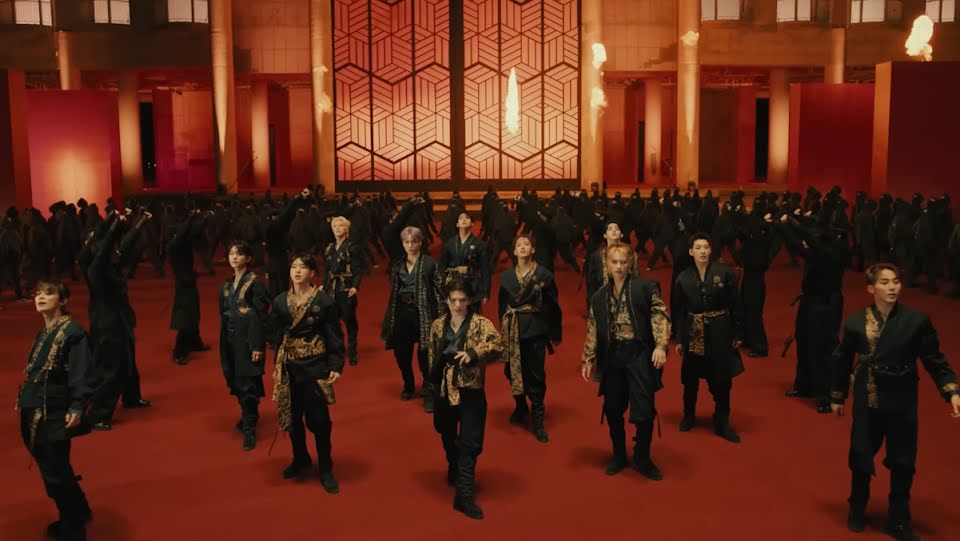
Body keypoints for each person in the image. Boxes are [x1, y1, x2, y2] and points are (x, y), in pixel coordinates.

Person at [830, 263, 960, 541]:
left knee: (903, 460)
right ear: (871, 288)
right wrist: (838, 395)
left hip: (902, 397)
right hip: (869, 396)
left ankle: (899, 519)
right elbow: (842, 360)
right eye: (885, 282)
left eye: (896, 282)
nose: (892, 287)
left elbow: (934, 359)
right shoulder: (855, 322)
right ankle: (857, 507)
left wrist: (951, 390)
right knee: (861, 454)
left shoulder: (916, 321)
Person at [581, 244, 670, 479]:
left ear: (631, 263)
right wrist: (588, 358)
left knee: (644, 410)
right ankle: (619, 454)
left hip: (639, 353)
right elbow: (593, 328)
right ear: (607, 264)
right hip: (613, 356)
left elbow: (660, 315)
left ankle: (642, 457)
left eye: (623, 262)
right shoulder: (599, 297)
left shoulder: (645, 288)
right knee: (612, 408)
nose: (619, 266)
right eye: (614, 262)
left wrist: (661, 345)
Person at [17, 281, 96, 541]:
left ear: (63, 301)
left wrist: (77, 405)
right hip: (33, 408)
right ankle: (79, 510)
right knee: (53, 466)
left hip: (53, 411)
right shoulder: (44, 332)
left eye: (48, 293)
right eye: (37, 293)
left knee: (56, 471)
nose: (40, 297)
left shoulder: (73, 332)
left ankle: (74, 528)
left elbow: (82, 371)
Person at [427, 279, 503, 520]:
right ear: (447, 301)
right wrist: (433, 388)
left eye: (462, 300)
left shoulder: (481, 324)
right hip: (444, 389)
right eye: (453, 300)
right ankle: (453, 464)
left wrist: (474, 353)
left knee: (470, 442)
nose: (458, 305)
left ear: (469, 300)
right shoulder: (437, 325)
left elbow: (498, 345)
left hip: (471, 389)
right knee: (446, 432)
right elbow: (432, 356)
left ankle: (464, 494)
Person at [270, 253, 345, 493]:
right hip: (290, 366)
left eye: (303, 267)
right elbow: (277, 336)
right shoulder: (280, 301)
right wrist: (276, 366)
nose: (297, 271)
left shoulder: (323, 301)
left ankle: (325, 467)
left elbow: (334, 335)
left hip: (314, 366)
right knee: (292, 419)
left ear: (312, 273)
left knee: (320, 421)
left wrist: (335, 365)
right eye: (294, 267)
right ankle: (300, 457)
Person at [672, 233, 744, 443]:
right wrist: (680, 339)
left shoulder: (724, 273)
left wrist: (737, 332)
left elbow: (736, 304)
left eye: (705, 247)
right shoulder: (683, 278)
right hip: (693, 329)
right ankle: (688, 415)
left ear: (711, 250)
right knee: (690, 378)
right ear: (690, 252)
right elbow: (678, 310)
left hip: (720, 329)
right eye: (698, 247)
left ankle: (722, 421)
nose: (702, 251)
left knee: (722, 378)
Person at [85, 209, 151, 431]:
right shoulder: (95, 271)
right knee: (111, 369)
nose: (117, 252)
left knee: (129, 362)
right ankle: (98, 414)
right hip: (107, 326)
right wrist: (113, 227)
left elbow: (125, 245)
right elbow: (105, 248)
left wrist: (140, 222)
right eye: (113, 249)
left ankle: (132, 398)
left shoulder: (110, 267)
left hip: (120, 321)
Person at [498, 235, 561, 442]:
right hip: (512, 330)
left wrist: (555, 330)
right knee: (511, 371)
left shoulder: (544, 275)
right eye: (519, 245)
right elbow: (502, 305)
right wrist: (502, 330)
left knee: (535, 375)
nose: (523, 247)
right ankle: (520, 405)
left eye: (526, 244)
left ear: (533, 249)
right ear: (514, 251)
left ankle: (538, 418)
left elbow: (553, 304)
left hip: (535, 329)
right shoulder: (506, 277)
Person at [382, 226, 444, 412]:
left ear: (420, 242)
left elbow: (439, 290)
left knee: (426, 355)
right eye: (407, 242)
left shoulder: (429, 263)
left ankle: (429, 391)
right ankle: (408, 384)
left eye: (414, 242)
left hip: (424, 313)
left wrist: (442, 317)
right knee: (402, 354)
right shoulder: (397, 264)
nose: (411, 245)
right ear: (402, 243)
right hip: (402, 312)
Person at [218, 241, 270, 451]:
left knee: (248, 382)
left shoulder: (255, 284)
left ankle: (249, 427)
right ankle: (249, 414)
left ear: (248, 259)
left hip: (248, 340)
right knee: (234, 379)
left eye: (239, 254)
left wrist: (257, 345)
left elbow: (260, 317)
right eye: (231, 253)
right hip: (229, 339)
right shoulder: (226, 284)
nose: (234, 257)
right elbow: (222, 311)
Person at [323, 216, 365, 366]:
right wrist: (323, 285)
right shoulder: (330, 248)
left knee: (350, 321)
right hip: (331, 290)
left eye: (340, 226)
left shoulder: (352, 248)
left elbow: (358, 270)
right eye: (335, 226)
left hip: (346, 289)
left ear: (346, 229)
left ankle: (352, 353)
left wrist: (355, 286)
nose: (337, 228)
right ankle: (338, 350)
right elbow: (327, 270)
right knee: (332, 322)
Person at [169, 209, 208, 365]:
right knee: (185, 316)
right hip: (183, 283)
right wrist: (191, 216)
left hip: (188, 280)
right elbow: (185, 231)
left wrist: (203, 218)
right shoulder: (176, 245)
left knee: (193, 312)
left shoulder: (181, 242)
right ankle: (179, 351)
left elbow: (194, 231)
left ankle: (194, 342)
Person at [439, 212, 490, 314]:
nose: (464, 220)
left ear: (472, 223)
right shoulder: (449, 244)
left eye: (467, 218)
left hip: (472, 284)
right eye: (461, 218)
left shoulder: (480, 245)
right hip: (453, 283)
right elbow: (442, 267)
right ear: (457, 224)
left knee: (472, 315)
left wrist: (485, 292)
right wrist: (442, 288)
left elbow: (485, 269)